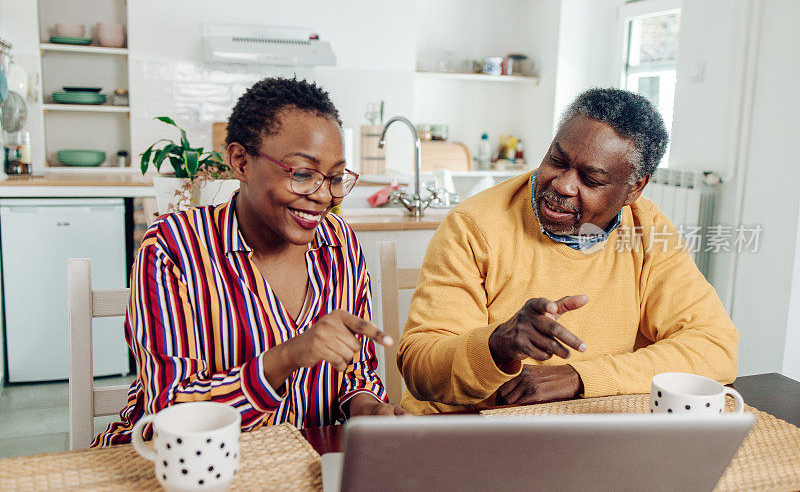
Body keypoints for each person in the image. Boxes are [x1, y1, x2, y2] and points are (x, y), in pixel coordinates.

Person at [94, 77, 404, 447]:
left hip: (304, 463)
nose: (324, 196)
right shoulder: (172, 249)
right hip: (184, 469)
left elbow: (357, 371)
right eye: (303, 174)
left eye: (336, 178)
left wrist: (369, 409)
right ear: (241, 161)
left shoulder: (339, 243)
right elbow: (172, 415)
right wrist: (287, 356)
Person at [397, 87, 738, 414]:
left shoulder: (646, 229)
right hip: (463, 431)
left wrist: (581, 378)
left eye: (591, 179)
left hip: (581, 429)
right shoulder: (473, 225)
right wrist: (497, 346)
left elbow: (716, 348)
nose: (562, 184)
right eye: (557, 160)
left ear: (634, 188)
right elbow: (420, 365)